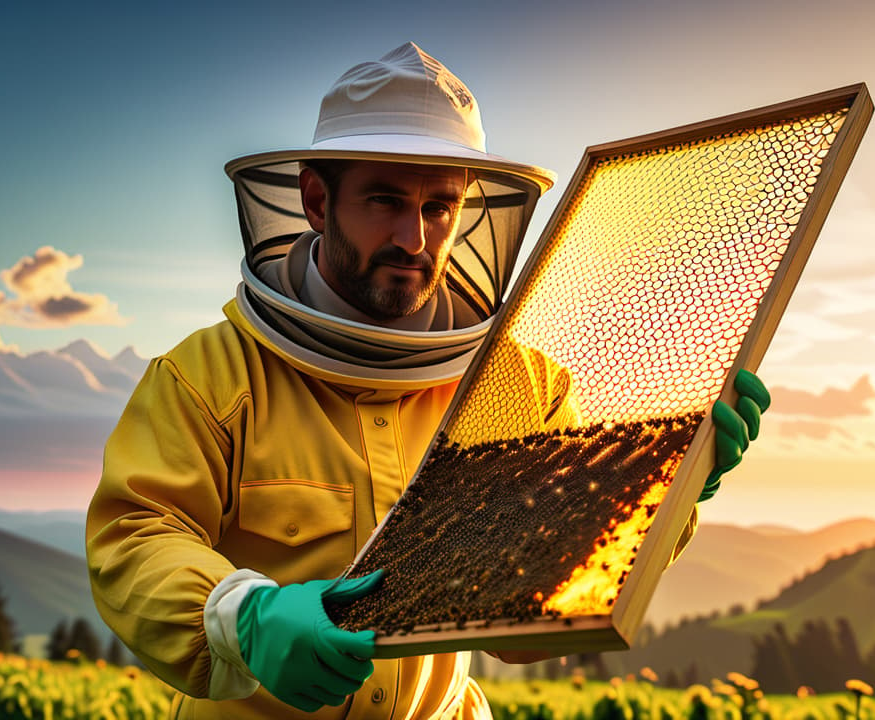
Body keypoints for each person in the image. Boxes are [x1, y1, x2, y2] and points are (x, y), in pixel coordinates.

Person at [86, 42, 771, 720]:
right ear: (318, 200)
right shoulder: (206, 377)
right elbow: (135, 537)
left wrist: (666, 492)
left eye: (440, 207)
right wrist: (247, 616)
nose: (414, 237)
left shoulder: (521, 386)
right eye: (385, 200)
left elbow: (538, 606)